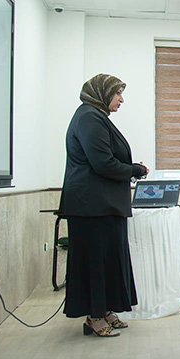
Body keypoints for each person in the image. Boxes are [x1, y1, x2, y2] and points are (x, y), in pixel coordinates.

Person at [59, 74, 149, 337]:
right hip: (92, 207)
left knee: (109, 260)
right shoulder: (89, 117)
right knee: (96, 263)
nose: (122, 99)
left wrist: (131, 169)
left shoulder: (96, 117)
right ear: (102, 93)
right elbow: (103, 164)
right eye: (118, 93)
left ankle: (105, 309)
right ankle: (95, 316)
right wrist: (135, 170)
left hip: (102, 205)